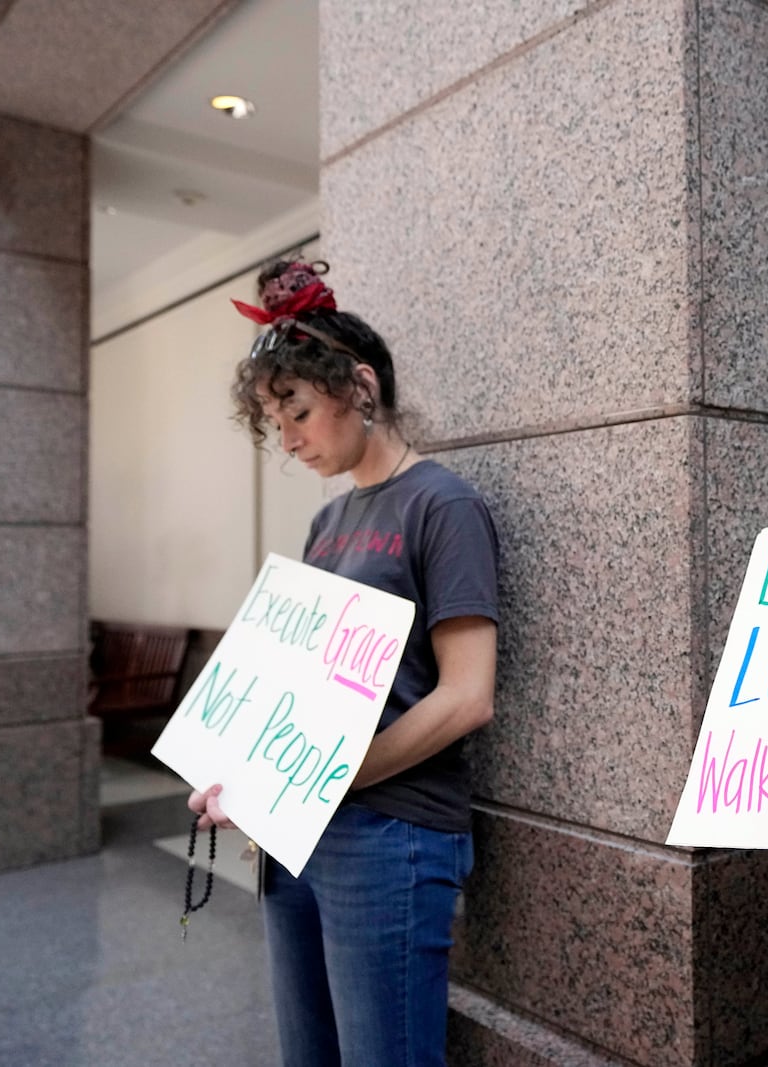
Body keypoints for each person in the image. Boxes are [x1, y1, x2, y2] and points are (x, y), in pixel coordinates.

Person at [187, 259, 500, 1067]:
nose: (287, 438)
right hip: (302, 832)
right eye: (273, 418)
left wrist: (329, 774)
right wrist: (241, 771)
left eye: (296, 410)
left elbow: (467, 697)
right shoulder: (327, 524)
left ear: (359, 387)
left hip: (394, 835)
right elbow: (299, 684)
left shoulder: (443, 504)